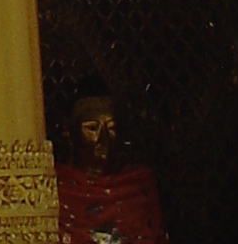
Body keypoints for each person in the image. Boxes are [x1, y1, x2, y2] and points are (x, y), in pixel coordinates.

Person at [56, 84, 165, 244]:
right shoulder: (59, 187)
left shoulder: (138, 185)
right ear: (70, 133)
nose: (104, 139)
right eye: (92, 128)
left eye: (112, 128)